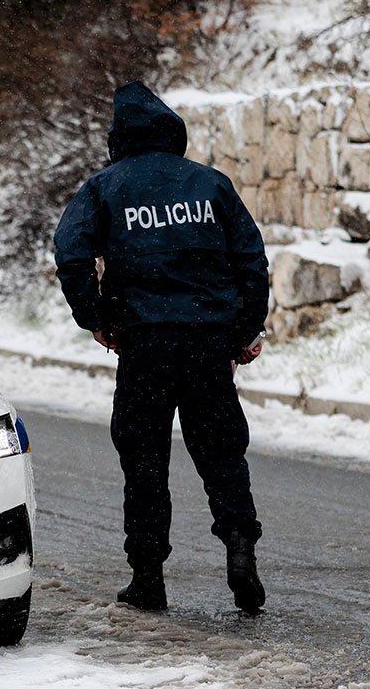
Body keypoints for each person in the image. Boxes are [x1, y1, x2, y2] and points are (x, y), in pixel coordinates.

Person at [53, 81, 270, 614]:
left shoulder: (106, 188)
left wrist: (97, 319)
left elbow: (70, 254)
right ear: (174, 132)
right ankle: (241, 550)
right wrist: (242, 331)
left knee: (144, 460)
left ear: (118, 137)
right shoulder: (211, 184)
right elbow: (251, 259)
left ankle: (148, 576)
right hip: (206, 344)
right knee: (221, 453)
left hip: (145, 345)